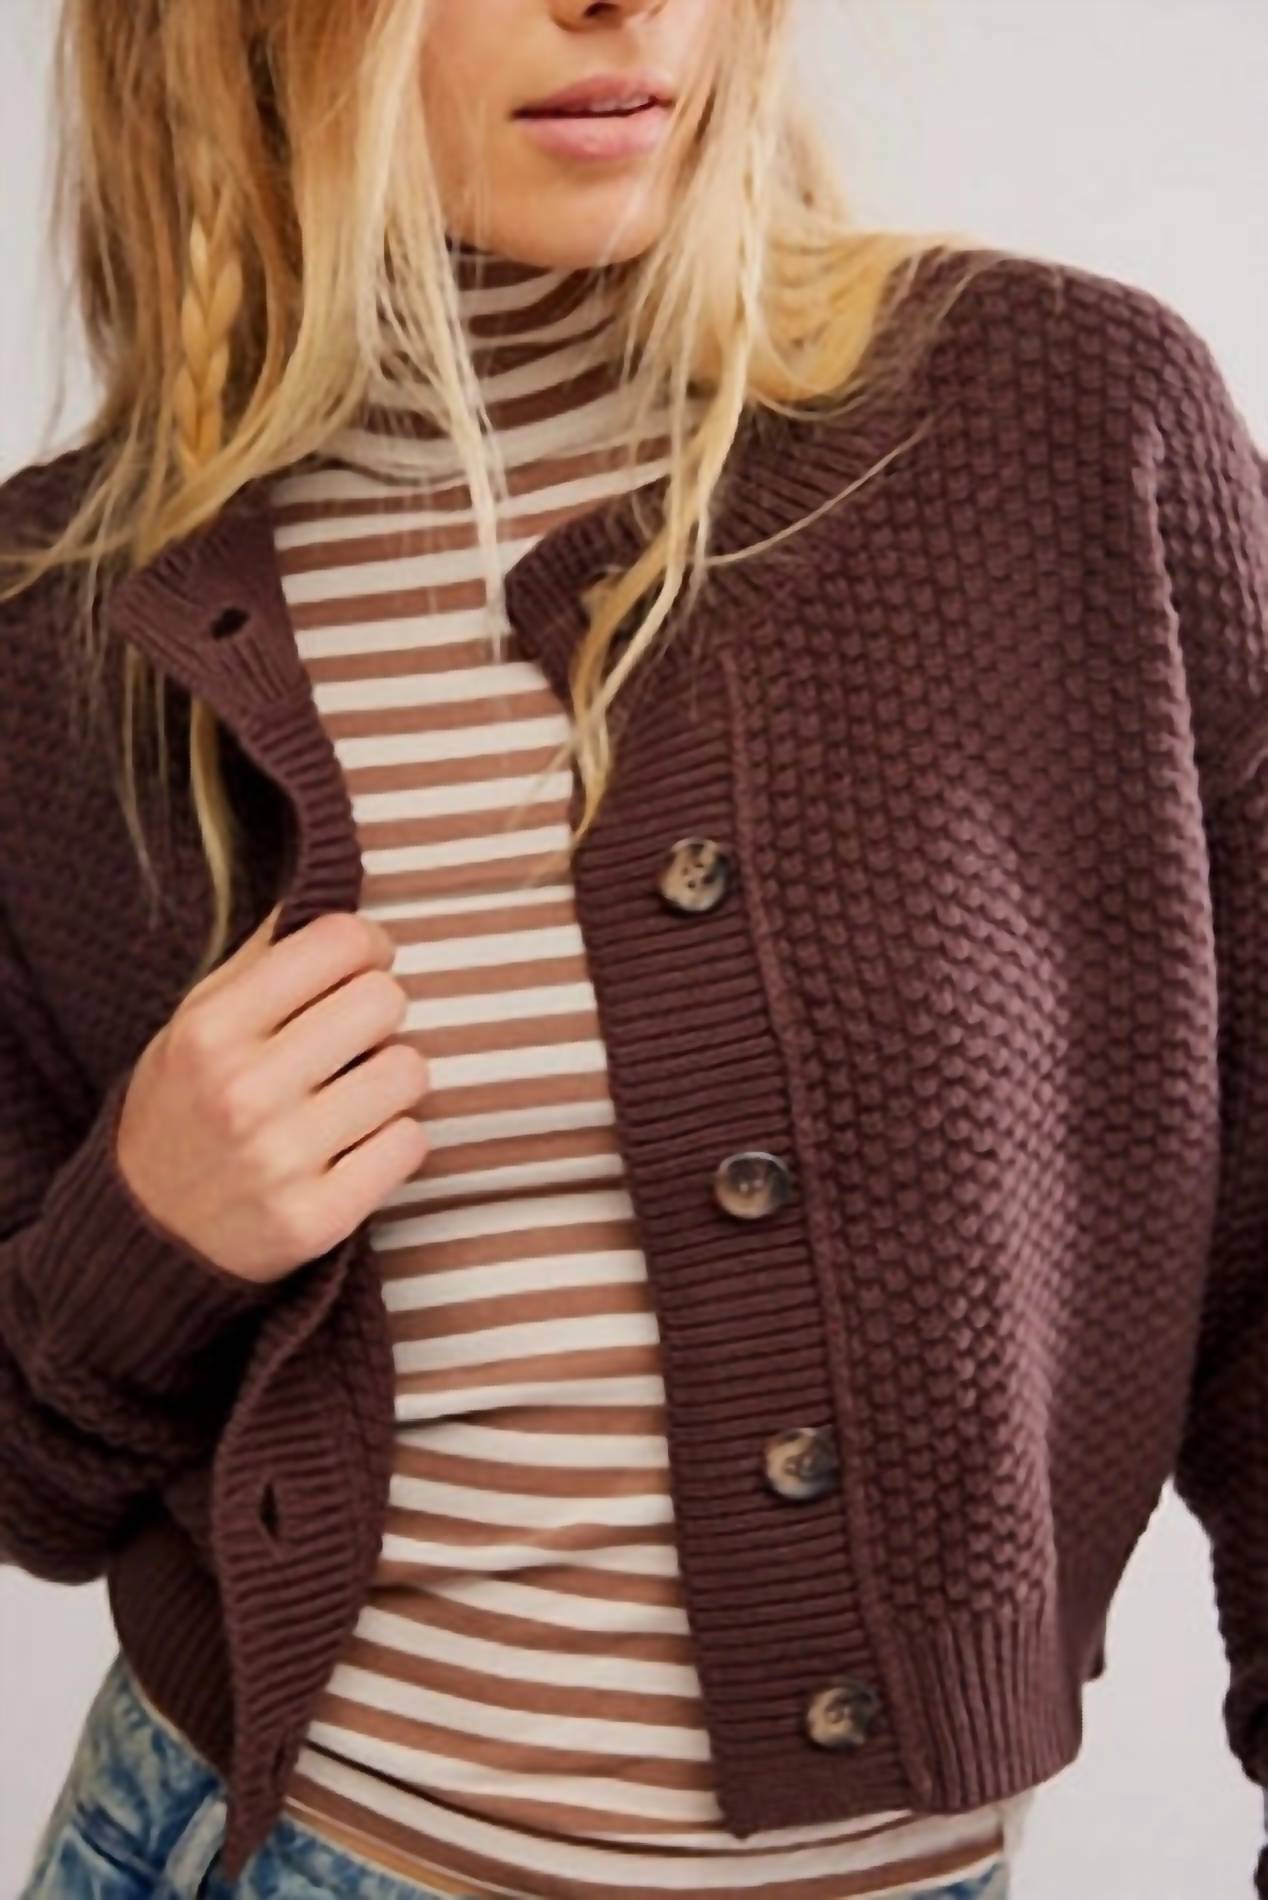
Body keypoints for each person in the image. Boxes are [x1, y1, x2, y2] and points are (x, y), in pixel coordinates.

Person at [1, 0, 1265, 1896]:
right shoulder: (61, 621)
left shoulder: (1062, 426)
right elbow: (32, 1483)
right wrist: (147, 1235)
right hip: (259, 1846)